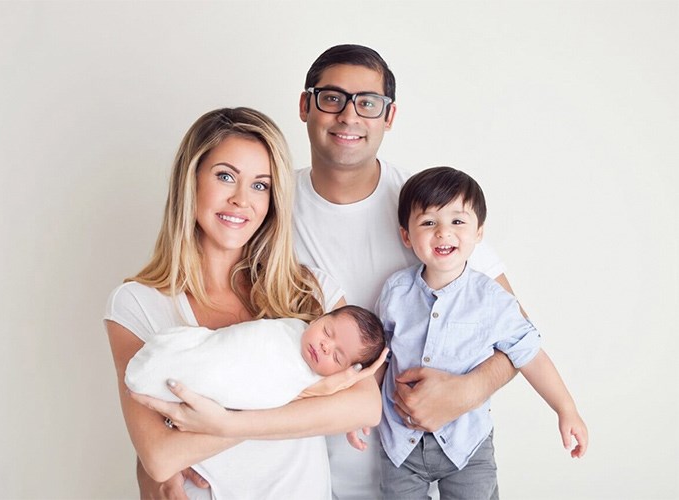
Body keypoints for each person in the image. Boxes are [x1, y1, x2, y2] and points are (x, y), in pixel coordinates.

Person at [105, 107, 387, 500]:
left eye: (260, 185)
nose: (242, 200)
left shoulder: (310, 290)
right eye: (225, 177)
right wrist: (307, 397)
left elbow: (365, 406)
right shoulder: (136, 305)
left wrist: (221, 425)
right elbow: (159, 456)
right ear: (191, 180)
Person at [293, 44, 519, 499]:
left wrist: (465, 392)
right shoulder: (271, 206)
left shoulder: (429, 211)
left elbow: (517, 333)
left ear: (388, 116)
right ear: (306, 105)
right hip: (303, 474)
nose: (349, 116)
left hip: (428, 475)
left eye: (368, 102)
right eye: (332, 97)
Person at [377, 166, 589, 499]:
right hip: (400, 444)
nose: (443, 233)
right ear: (406, 235)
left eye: (457, 222)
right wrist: (362, 408)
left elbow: (529, 353)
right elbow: (380, 359)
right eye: (429, 222)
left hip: (467, 445)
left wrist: (566, 409)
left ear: (478, 232)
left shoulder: (492, 299)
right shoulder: (395, 291)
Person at [125, 305, 385, 409]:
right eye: (327, 332)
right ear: (318, 319)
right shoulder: (289, 327)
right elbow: (240, 340)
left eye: (338, 357)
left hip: (223, 380)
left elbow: (265, 391)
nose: (326, 346)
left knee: (207, 374)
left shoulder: (309, 382)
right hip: (218, 350)